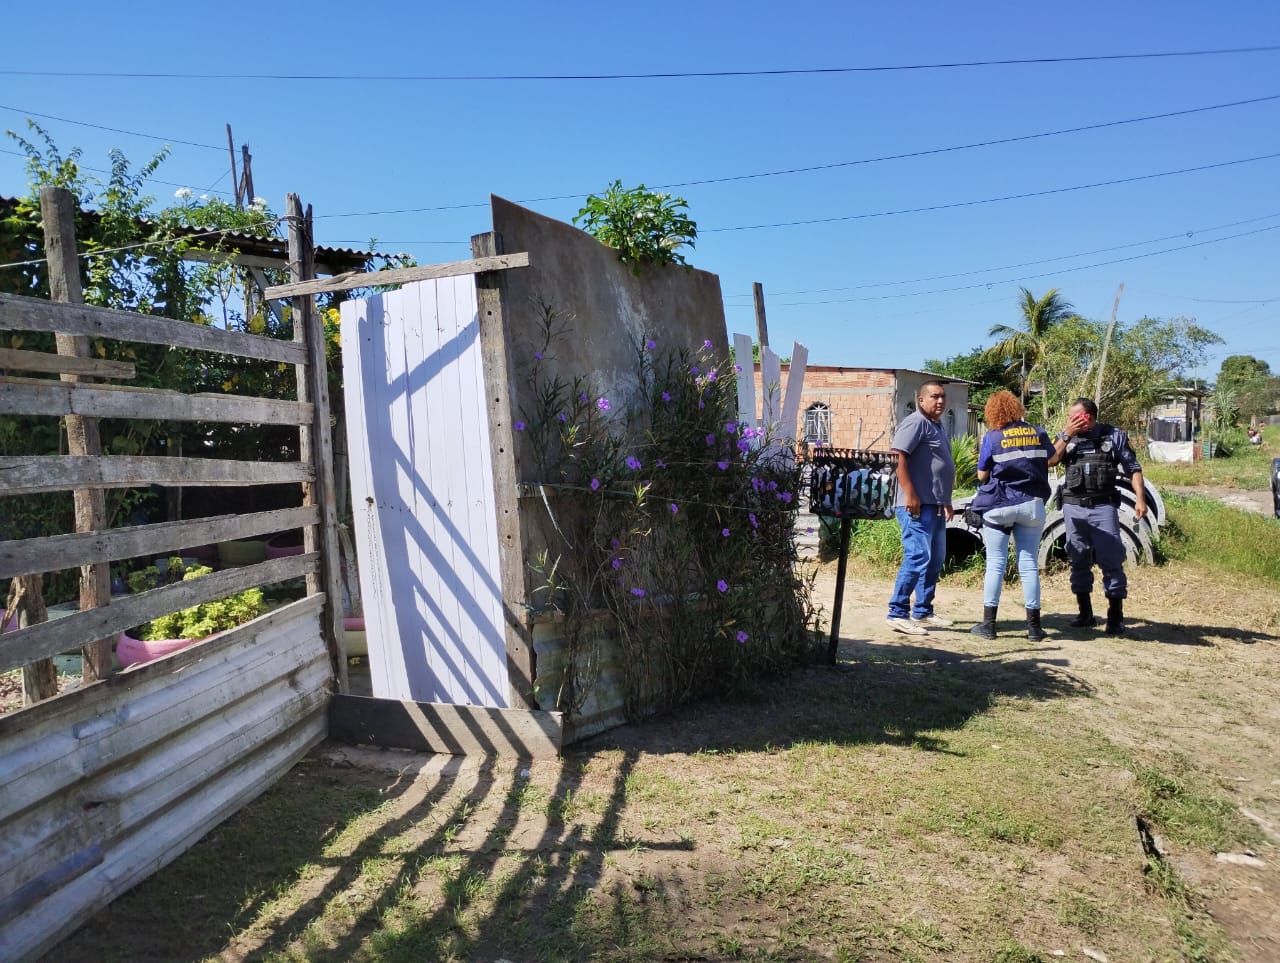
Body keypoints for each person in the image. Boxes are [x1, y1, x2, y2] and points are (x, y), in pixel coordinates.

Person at [967, 391, 1061, 641]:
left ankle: (988, 625)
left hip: (1000, 506)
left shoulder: (993, 436)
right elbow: (1052, 459)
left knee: (996, 564)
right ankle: (1034, 628)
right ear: (1017, 407)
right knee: (1028, 564)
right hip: (1032, 506)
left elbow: (981, 476)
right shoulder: (1039, 433)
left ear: (993, 412)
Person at [1051, 398, 1147, 635]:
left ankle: (1115, 617)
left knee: (1111, 559)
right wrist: (1067, 435)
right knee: (1078, 557)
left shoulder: (1113, 436)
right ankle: (1085, 613)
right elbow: (1050, 460)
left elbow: (1133, 468)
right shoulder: (1065, 436)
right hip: (1073, 508)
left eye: (1075, 416)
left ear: (1089, 416)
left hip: (1103, 507)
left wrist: (1141, 499)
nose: (1070, 420)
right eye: (1069, 417)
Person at [886, 381, 956, 636]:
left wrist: (945, 500)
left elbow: (936, 467)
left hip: (935, 505)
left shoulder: (935, 425)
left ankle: (923, 610)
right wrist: (911, 494)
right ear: (921, 400)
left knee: (934, 560)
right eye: (934, 396)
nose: (940, 401)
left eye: (943, 397)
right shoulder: (916, 422)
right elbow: (897, 456)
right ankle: (897, 612)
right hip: (915, 504)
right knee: (917, 556)